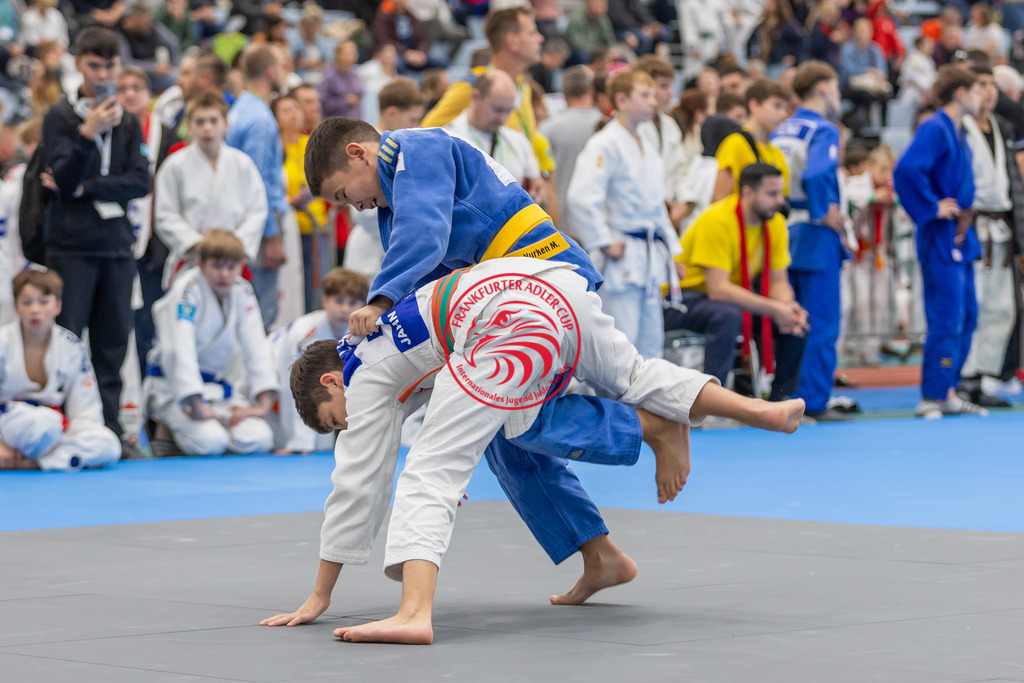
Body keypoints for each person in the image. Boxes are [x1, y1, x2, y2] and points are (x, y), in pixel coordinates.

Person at [260, 257, 805, 643]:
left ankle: (413, 613)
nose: (349, 425)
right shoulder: (383, 336)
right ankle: (759, 411)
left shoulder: (364, 376)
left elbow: (359, 483)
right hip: (546, 284)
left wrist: (319, 598)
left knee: (429, 474)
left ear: (333, 382)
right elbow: (437, 396)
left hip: (504, 324)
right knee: (585, 397)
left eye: (337, 419)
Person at [303, 117, 656, 588]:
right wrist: (451, 447)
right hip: (503, 309)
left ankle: (652, 424)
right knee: (503, 438)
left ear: (358, 154)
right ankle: (599, 553)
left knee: (517, 422)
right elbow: (434, 336)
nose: (359, 208)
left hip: (542, 278)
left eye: (346, 195)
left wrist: (381, 299)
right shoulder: (394, 206)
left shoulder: (414, 149)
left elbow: (425, 234)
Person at [40, 26, 150, 457]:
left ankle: (107, 429)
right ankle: (61, 425)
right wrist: (87, 134)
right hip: (71, 246)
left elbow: (141, 181)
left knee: (112, 343)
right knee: (67, 337)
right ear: (79, 64)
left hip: (116, 247)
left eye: (110, 65)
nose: (103, 72)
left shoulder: (127, 121)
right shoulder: (61, 117)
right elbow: (64, 181)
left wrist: (91, 187)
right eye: (95, 65)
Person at [665, 163, 809, 401]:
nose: (779, 201)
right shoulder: (717, 220)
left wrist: (787, 309)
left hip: (725, 298)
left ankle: (781, 400)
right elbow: (718, 289)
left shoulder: (774, 224)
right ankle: (712, 404)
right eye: (771, 194)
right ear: (748, 192)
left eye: (781, 194)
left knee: (798, 320)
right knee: (726, 315)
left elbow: (778, 281)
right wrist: (775, 308)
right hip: (680, 297)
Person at [894, 65, 989, 419]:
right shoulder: (934, 126)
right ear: (961, 93)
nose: (981, 96)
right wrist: (932, 206)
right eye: (977, 89)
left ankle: (947, 389)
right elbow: (906, 170)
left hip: (960, 234)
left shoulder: (957, 130)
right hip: (940, 233)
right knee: (947, 315)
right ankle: (931, 395)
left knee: (968, 314)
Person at [568, 69, 683, 359]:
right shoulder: (605, 142)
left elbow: (656, 206)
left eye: (653, 94)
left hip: (649, 254)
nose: (653, 101)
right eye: (644, 95)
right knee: (621, 342)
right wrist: (604, 240)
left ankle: (644, 405)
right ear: (622, 99)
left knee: (651, 342)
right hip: (622, 254)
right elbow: (581, 196)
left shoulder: (647, 142)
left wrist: (673, 251)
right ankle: (616, 405)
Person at [143, 230, 278, 456]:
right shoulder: (187, 290)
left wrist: (262, 405)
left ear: (240, 266)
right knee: (210, 442)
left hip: (217, 391)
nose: (224, 274)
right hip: (175, 390)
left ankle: (206, 428)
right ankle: (165, 428)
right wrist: (196, 404)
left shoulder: (242, 289)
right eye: (217, 266)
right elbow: (179, 349)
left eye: (231, 266)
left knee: (260, 438)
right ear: (201, 263)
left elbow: (256, 347)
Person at [770, 61, 851, 421]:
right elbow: (819, 171)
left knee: (791, 316)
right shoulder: (823, 129)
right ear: (821, 87)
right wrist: (824, 210)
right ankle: (814, 399)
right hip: (815, 232)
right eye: (834, 86)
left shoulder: (782, 128)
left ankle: (788, 391)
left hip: (784, 228)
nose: (837, 95)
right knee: (821, 318)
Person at [0, 268, 122, 471]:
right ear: (16, 307)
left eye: (43, 301)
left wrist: (80, 433)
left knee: (108, 443)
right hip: (11, 425)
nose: (35, 310)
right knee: (44, 423)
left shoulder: (71, 345)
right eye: (27, 302)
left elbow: (85, 413)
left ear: (57, 306)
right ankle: (54, 458)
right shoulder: (2, 341)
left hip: (55, 430)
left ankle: (35, 463)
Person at [155, 92, 267, 288]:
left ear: (226, 124)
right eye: (200, 122)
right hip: (193, 259)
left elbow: (257, 211)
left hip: (231, 261)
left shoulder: (242, 164)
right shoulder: (175, 166)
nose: (207, 128)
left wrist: (232, 246)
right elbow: (165, 215)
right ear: (188, 127)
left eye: (213, 120)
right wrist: (199, 245)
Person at [958, 65, 1021, 408]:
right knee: (973, 305)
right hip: (972, 225)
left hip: (1001, 229)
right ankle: (964, 376)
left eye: (992, 85)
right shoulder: (958, 128)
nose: (988, 92)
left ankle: (983, 376)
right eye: (981, 85)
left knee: (1002, 308)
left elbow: (1013, 183)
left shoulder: (1003, 127)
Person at [268, 266, 367, 454]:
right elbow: (297, 385)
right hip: (276, 367)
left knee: (323, 441)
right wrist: (300, 441)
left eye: (352, 302)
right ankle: (296, 441)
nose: (345, 309)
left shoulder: (363, 334)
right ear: (325, 301)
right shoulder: (305, 331)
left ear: (363, 306)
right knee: (292, 443)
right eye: (339, 301)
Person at [225, 44, 289, 330]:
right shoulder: (260, 119)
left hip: (242, 218)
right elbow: (259, 179)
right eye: (283, 66)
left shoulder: (240, 108)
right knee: (260, 313)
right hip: (260, 224)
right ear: (271, 72)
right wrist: (271, 234)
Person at [343, 78, 425, 283]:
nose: (416, 126)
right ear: (391, 113)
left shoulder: (404, 147)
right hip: (370, 253)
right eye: (413, 119)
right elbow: (361, 209)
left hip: (396, 253)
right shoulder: (364, 150)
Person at [273, 93, 330, 314]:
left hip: (315, 227)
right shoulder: (276, 149)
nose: (293, 115)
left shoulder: (311, 145)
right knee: (293, 292)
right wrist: (289, 201)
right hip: (288, 229)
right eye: (286, 111)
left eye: (296, 108)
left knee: (316, 289)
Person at [444, 70, 541, 192]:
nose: (502, 117)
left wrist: (538, 197)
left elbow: (538, 188)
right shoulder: (448, 140)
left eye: (508, 110)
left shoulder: (519, 141)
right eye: (497, 109)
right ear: (475, 97)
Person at [538, 65, 603, 237]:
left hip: (559, 223)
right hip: (598, 223)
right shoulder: (607, 126)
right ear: (592, 92)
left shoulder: (548, 129)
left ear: (564, 95)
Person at [712, 78, 791, 201]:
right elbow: (719, 200)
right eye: (777, 106)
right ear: (754, 105)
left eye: (785, 108)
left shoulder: (777, 154)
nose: (783, 114)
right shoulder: (735, 144)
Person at [317, 40, 363, 120]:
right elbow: (322, 103)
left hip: (355, 121)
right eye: (347, 53)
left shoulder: (356, 74)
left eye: (354, 52)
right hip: (335, 123)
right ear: (338, 55)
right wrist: (344, 101)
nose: (351, 56)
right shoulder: (329, 76)